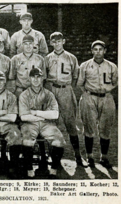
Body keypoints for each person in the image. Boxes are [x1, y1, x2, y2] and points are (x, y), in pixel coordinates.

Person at [45, 32, 84, 166]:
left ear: (64, 41)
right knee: (51, 123)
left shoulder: (71, 57)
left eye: (59, 41)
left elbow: (75, 76)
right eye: (54, 41)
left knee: (70, 123)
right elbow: (44, 76)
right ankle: (53, 157)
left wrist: (67, 88)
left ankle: (78, 155)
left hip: (66, 89)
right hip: (52, 89)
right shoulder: (48, 58)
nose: (57, 44)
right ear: (50, 43)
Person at [77, 40, 118, 168]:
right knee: (89, 128)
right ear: (92, 51)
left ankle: (104, 157)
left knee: (105, 128)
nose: (98, 52)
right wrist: (87, 94)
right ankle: (89, 156)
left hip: (106, 97)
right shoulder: (85, 65)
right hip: (90, 96)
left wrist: (107, 90)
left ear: (104, 51)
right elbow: (80, 83)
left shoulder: (112, 66)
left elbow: (116, 82)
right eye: (95, 49)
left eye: (100, 49)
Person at [19, 68, 65, 179]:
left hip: (47, 124)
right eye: (33, 77)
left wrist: (35, 112)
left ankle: (53, 170)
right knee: (27, 141)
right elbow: (24, 116)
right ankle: (30, 170)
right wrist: (44, 115)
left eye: (38, 77)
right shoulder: (24, 95)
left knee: (59, 141)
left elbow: (55, 115)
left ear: (42, 79)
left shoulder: (49, 94)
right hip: (30, 124)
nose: (35, 79)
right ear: (29, 79)